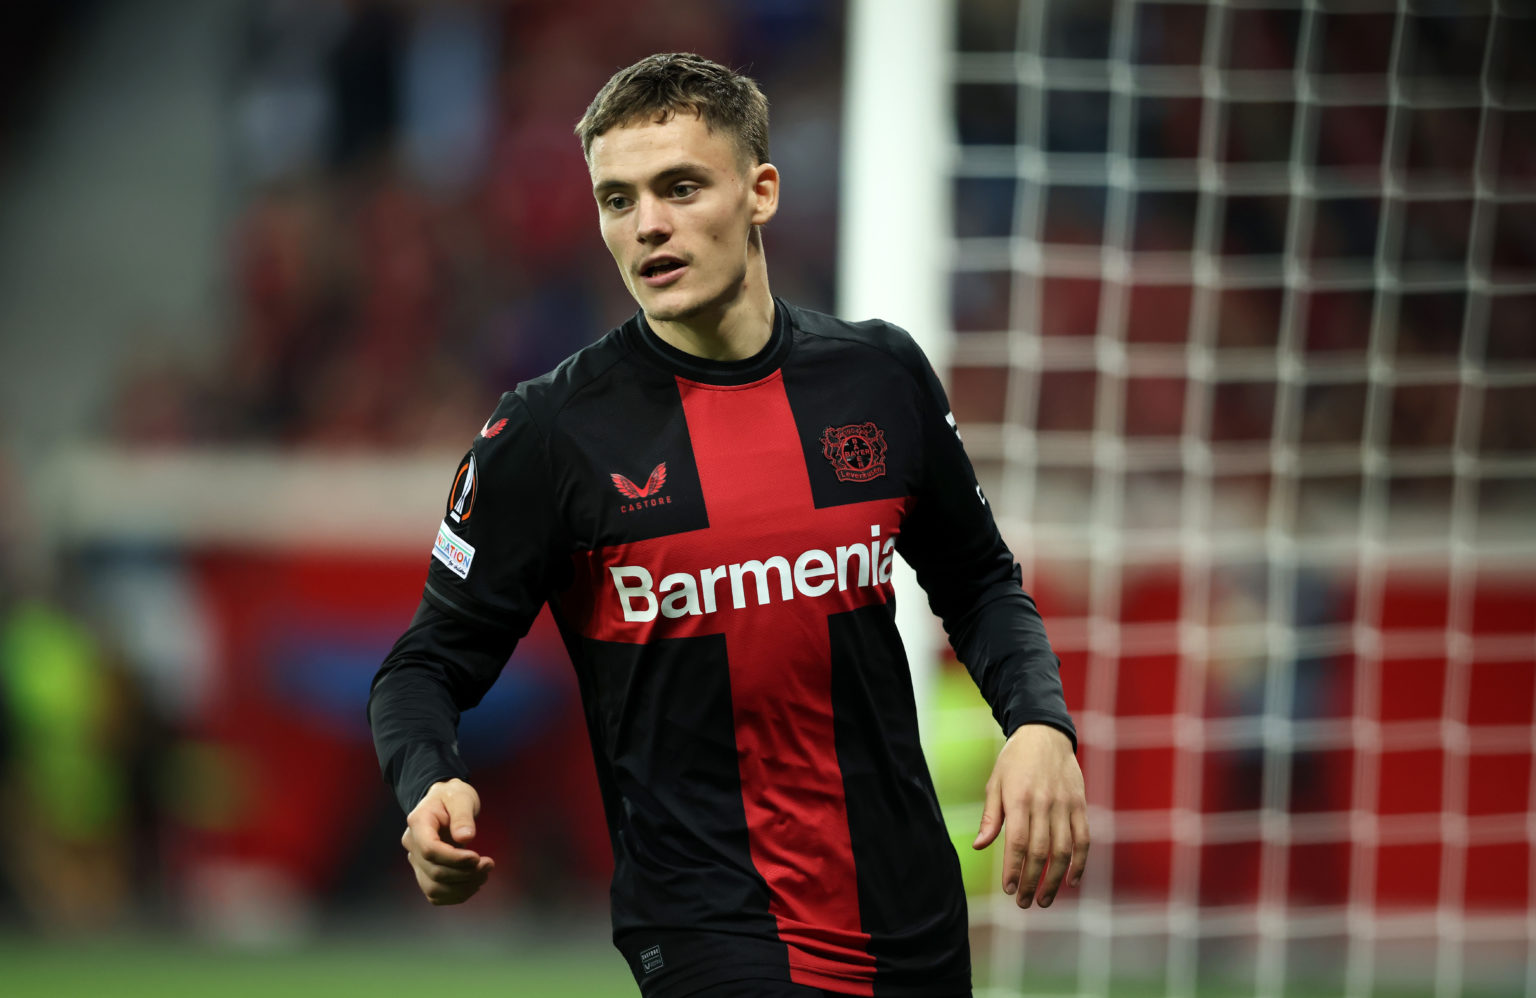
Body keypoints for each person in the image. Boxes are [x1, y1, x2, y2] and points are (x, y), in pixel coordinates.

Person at [368, 52, 1088, 998]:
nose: (648, 226)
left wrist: (1038, 723)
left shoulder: (878, 378)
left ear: (761, 192)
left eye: (679, 188)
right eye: (617, 200)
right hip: (707, 925)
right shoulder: (547, 434)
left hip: (910, 914)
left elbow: (982, 584)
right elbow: (423, 666)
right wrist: (428, 785)